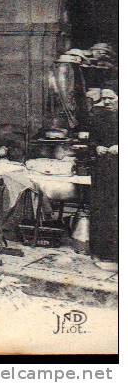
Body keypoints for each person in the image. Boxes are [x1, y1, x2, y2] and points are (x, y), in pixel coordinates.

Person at [88, 89, 118, 271]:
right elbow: (92, 141)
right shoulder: (99, 119)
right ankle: (100, 252)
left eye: (111, 98)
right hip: (102, 171)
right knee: (101, 209)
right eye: (104, 98)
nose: (107, 102)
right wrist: (97, 146)